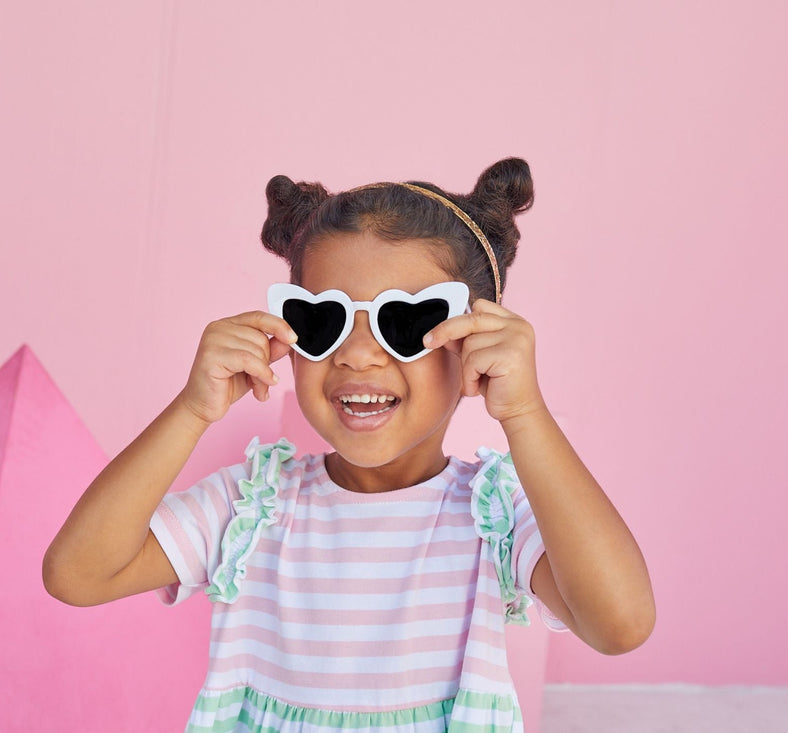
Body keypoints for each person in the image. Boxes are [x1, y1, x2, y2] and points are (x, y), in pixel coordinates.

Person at [43, 157, 655, 731]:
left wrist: (525, 413)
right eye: (323, 321)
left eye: (406, 322)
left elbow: (619, 624)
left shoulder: (494, 516)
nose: (357, 354)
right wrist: (191, 410)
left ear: (476, 340)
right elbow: (77, 575)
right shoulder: (250, 508)